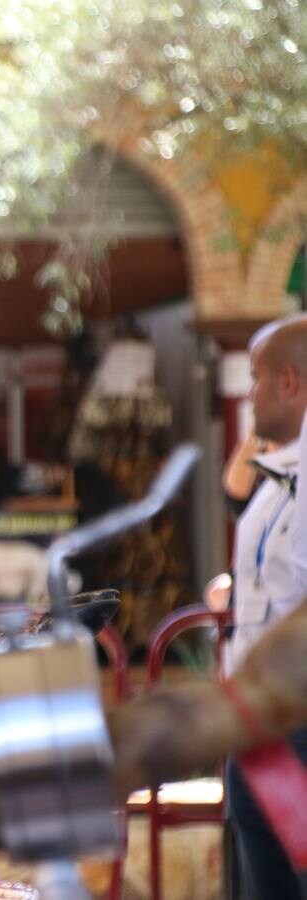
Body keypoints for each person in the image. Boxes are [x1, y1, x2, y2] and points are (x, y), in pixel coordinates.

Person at [228, 314, 307, 899]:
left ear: (289, 382)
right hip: (259, 717)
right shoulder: (284, 469)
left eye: (255, 378)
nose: (248, 394)